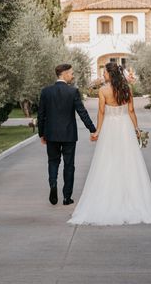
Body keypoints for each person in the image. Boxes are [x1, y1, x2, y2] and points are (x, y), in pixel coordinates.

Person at [68, 62, 151, 225]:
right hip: (125, 126)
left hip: (110, 128)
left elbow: (102, 112)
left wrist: (97, 131)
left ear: (110, 74)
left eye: (104, 73)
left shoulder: (103, 91)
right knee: (128, 161)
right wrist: (136, 129)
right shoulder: (127, 89)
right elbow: (131, 111)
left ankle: (108, 198)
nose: (103, 75)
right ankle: (132, 200)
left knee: (107, 161)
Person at [38, 64, 97, 206]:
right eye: (71, 73)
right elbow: (82, 112)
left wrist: (42, 134)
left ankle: (53, 184)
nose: (73, 75)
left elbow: (41, 115)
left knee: (53, 161)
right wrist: (92, 129)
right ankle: (66, 197)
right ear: (63, 74)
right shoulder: (73, 92)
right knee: (69, 165)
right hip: (69, 135)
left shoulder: (46, 91)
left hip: (51, 134)